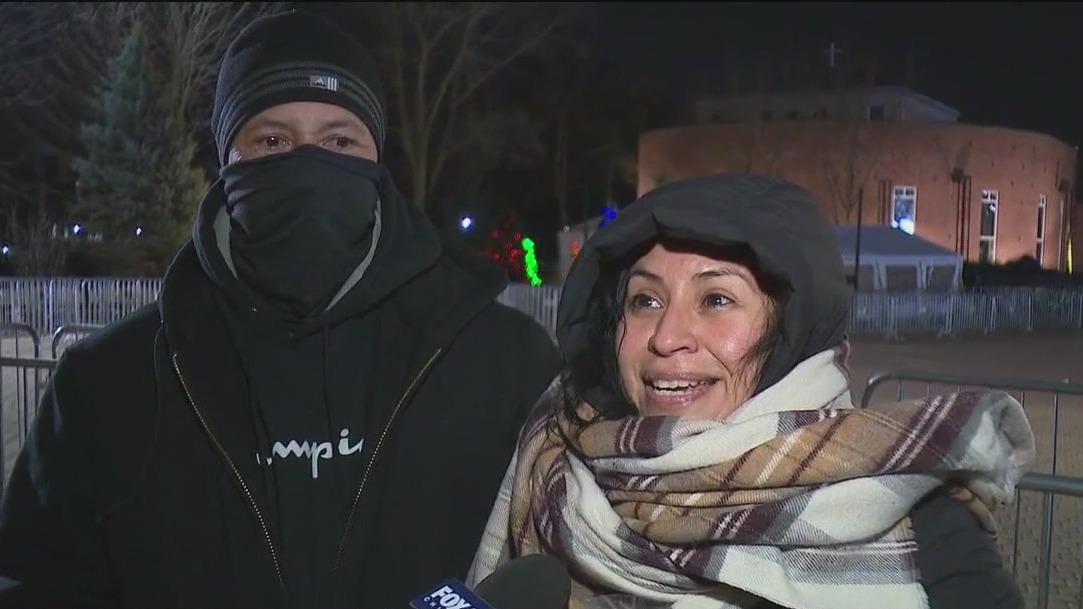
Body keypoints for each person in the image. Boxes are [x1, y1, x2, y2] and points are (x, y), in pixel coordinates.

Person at [0, 10, 561, 609]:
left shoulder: (507, 366)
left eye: (338, 141)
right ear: (226, 162)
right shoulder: (105, 386)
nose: (308, 163)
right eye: (272, 141)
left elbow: (566, 567)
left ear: (376, 160)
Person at [469, 173, 1035, 609]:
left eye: (716, 300)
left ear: (788, 333)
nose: (667, 337)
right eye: (645, 300)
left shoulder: (922, 528)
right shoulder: (548, 464)